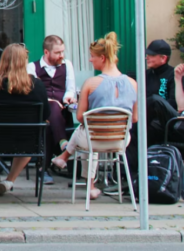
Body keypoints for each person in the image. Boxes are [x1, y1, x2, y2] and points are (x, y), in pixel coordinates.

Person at [51, 32, 138, 200]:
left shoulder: (91, 83)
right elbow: (134, 119)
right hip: (120, 140)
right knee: (90, 134)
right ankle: (85, 180)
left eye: (92, 56)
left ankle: (84, 179)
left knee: (86, 132)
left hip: (93, 140)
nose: (90, 60)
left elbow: (81, 117)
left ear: (103, 58)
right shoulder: (133, 83)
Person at [0, 43, 50, 196]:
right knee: (29, 132)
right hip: (27, 141)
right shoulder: (37, 85)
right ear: (24, 62)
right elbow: (45, 114)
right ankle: (9, 181)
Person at [27, 34, 76, 183]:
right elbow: (33, 92)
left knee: (48, 124)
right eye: (57, 52)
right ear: (47, 52)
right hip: (41, 111)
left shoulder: (67, 65)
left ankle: (43, 169)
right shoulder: (32, 67)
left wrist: (68, 97)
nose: (62, 55)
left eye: (62, 52)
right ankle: (63, 143)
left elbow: (71, 88)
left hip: (63, 112)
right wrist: (50, 100)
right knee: (50, 109)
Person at [144, 39, 178, 145]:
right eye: (147, 54)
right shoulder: (144, 75)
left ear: (163, 58)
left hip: (168, 121)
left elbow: (174, 103)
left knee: (155, 100)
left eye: (151, 55)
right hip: (148, 122)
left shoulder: (174, 75)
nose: (146, 57)